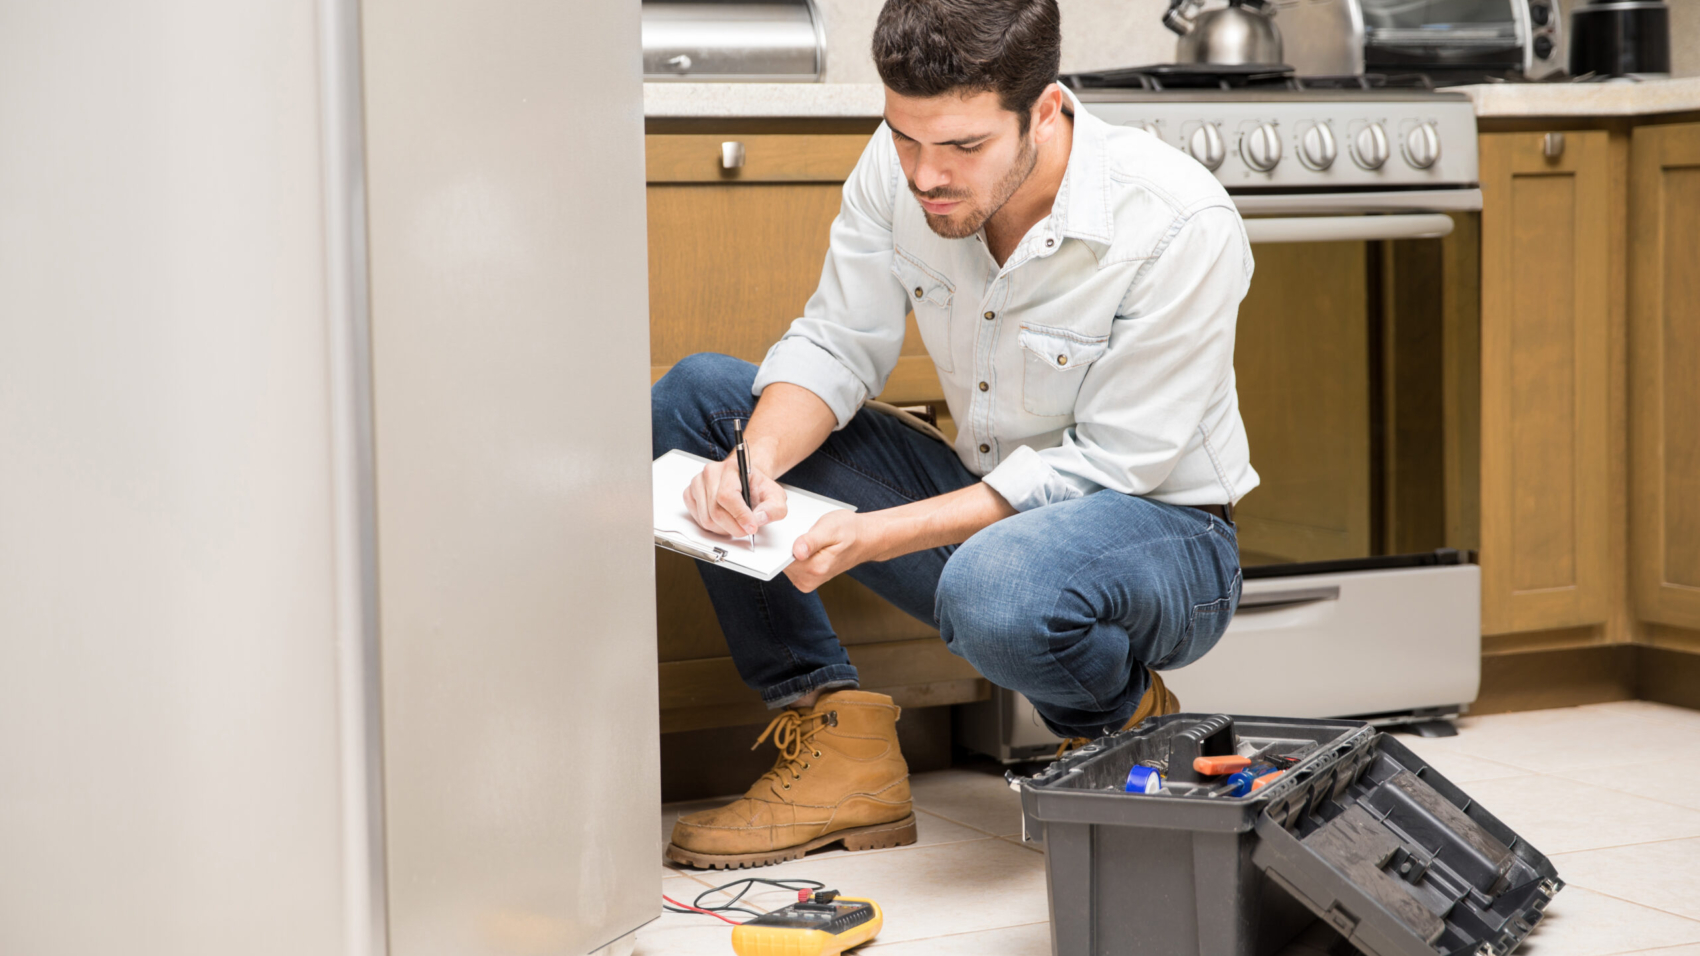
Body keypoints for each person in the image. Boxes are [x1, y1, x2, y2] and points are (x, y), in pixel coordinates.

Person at [651, 0, 1257, 870]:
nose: (925, 175)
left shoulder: (1177, 221)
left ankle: (1122, 727)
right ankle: (835, 746)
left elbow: (1114, 464)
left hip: (1164, 535)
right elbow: (835, 341)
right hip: (990, 513)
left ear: (1043, 112)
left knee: (996, 585)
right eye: (906, 139)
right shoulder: (899, 166)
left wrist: (878, 533)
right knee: (701, 400)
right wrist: (751, 462)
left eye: (964, 148)